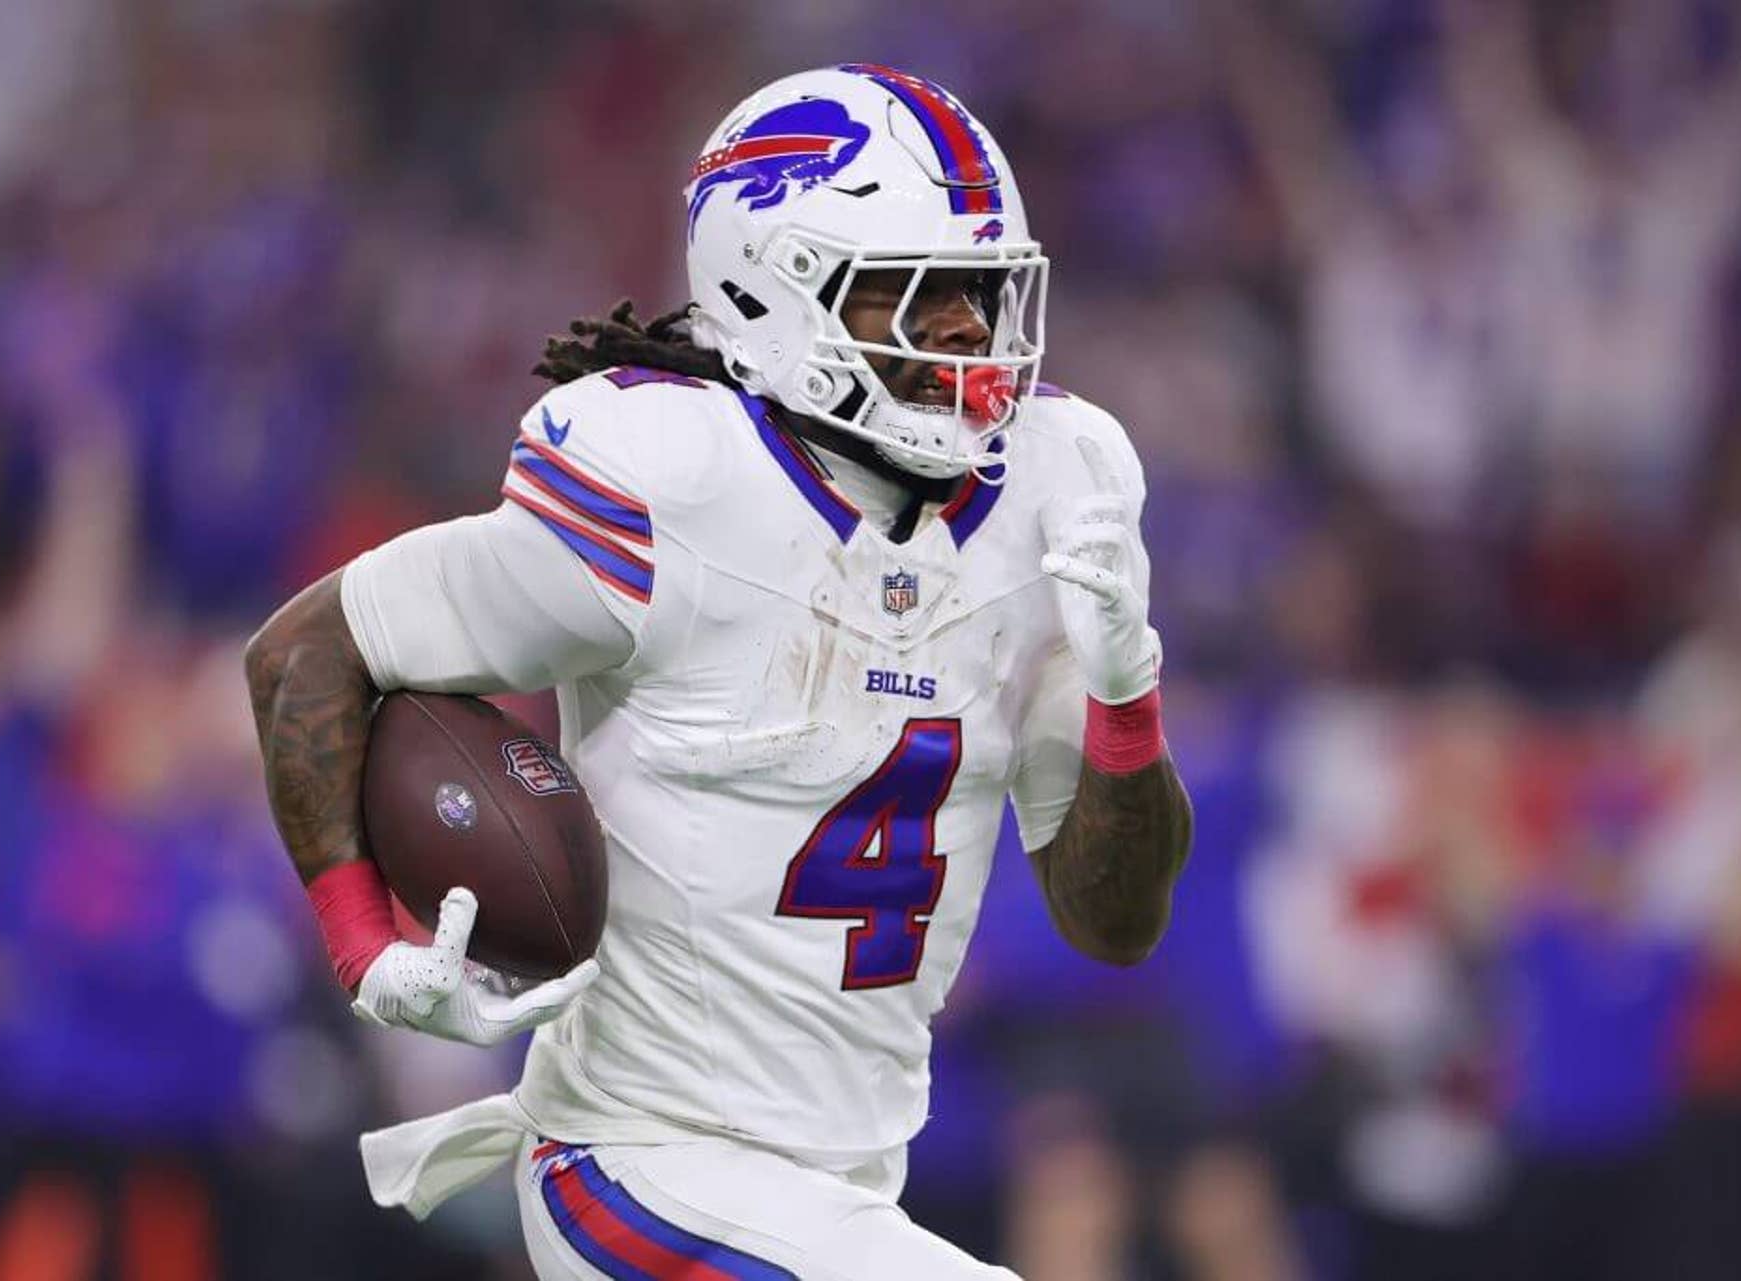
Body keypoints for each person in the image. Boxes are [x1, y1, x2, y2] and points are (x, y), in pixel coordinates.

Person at [243, 65, 1191, 1280]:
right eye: (919, 292)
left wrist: (1124, 699)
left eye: (988, 291)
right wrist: (365, 944)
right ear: (774, 294)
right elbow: (308, 652)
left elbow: (1115, 923)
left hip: (845, 1190)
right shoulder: (670, 486)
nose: (970, 331)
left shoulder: (1060, 486)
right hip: (642, 1161)